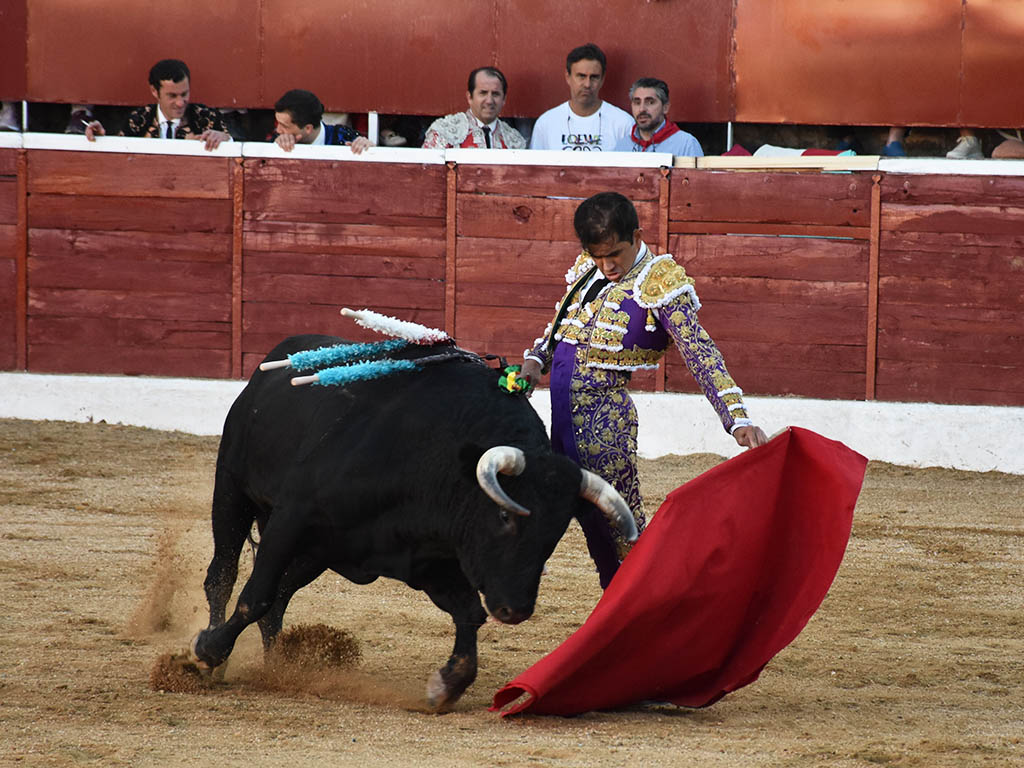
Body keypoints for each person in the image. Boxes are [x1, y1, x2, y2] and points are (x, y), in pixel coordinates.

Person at [521, 192, 768, 588]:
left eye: (615, 254)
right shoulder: (589, 270)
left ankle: (649, 618)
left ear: (636, 236)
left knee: (623, 538)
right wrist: (535, 362)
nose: (608, 266)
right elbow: (559, 332)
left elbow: (700, 352)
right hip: (562, 426)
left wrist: (736, 417)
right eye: (598, 256)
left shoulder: (659, 281)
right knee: (554, 514)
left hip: (606, 429)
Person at [84, 59, 231, 151]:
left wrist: (224, 138)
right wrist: (102, 140)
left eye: (184, 94)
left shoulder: (206, 116)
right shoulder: (137, 120)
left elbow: (236, 143)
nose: (180, 103)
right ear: (154, 91)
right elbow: (117, 151)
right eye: (172, 96)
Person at [529, 43, 633, 151]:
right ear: (568, 77)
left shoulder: (623, 124)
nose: (587, 84)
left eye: (594, 77)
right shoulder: (546, 124)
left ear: (602, 79)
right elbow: (535, 167)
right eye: (581, 76)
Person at [422, 67, 526, 149]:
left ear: (504, 99)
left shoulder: (514, 141)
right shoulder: (444, 131)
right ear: (469, 97)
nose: (489, 100)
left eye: (495, 94)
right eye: (483, 93)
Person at [613, 78, 703, 156]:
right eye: (637, 103)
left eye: (650, 102)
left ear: (665, 107)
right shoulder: (622, 145)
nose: (641, 109)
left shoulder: (686, 144)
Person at [272, 89, 372, 153]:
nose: (278, 130)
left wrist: (367, 147)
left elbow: (371, 151)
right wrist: (274, 148)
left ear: (308, 128)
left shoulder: (345, 136)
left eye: (284, 126)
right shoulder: (278, 138)